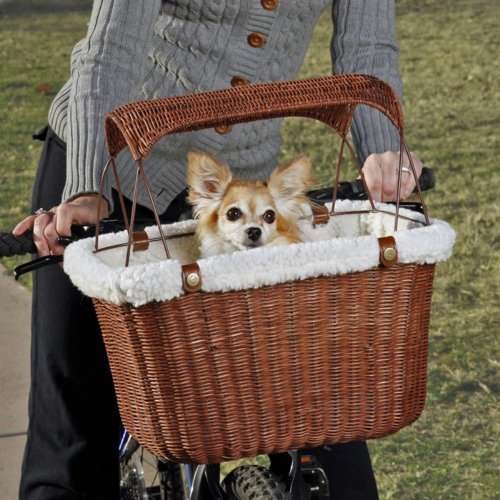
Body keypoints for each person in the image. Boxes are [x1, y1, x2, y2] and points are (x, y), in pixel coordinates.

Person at [13, 1, 422, 498]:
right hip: (105, 170)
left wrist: (384, 158)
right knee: (73, 436)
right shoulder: (93, 177)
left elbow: (367, 47)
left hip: (240, 199)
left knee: (321, 422)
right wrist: (83, 188)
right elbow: (108, 52)